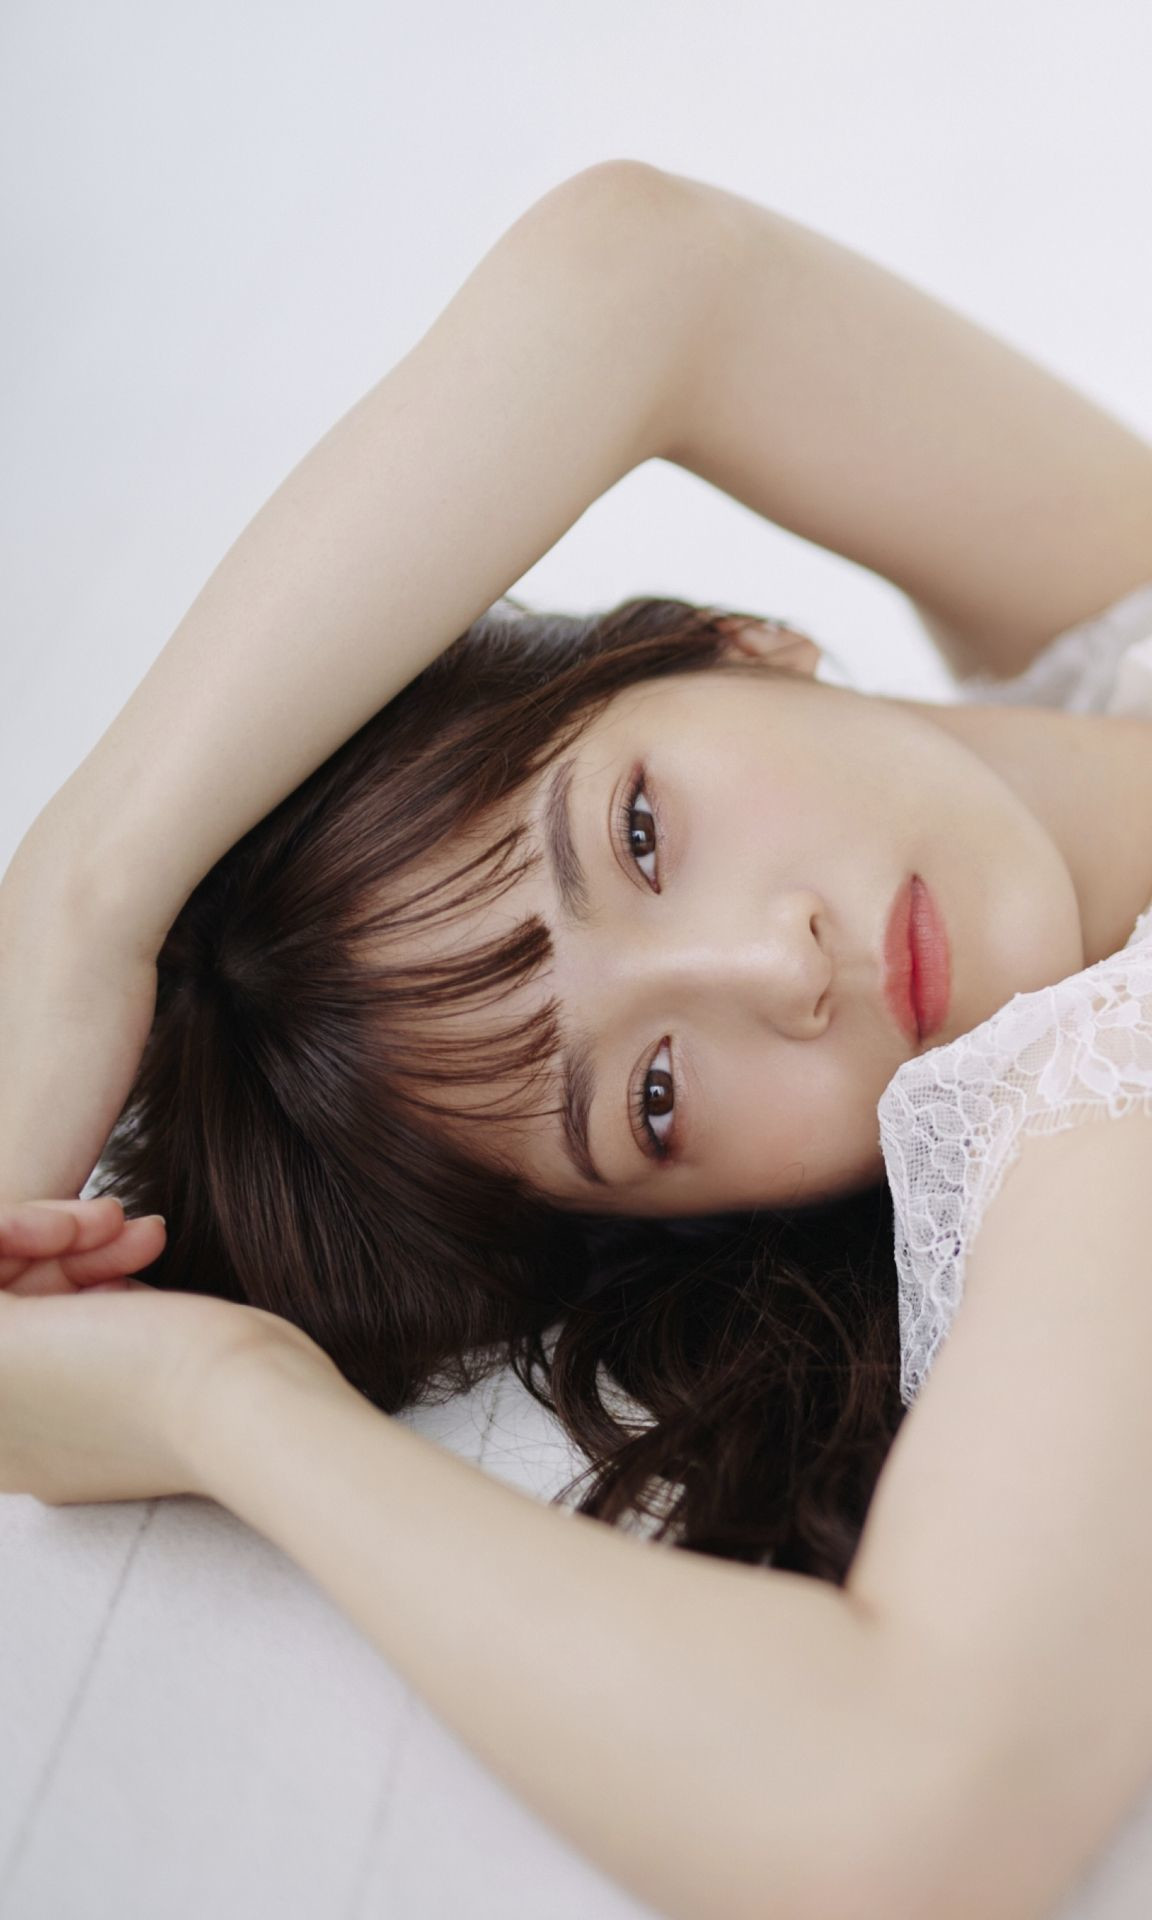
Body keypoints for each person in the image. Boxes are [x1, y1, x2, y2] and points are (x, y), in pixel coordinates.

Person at [4, 159, 1152, 1920]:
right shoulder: (1095, 1115)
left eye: (637, 834)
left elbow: (650, 268)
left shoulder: (1102, 609)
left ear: (737, 645)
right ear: (720, 1212)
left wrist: (84, 897)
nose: (779, 968)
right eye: (657, 1096)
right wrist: (221, 1404)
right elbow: (917, 1797)